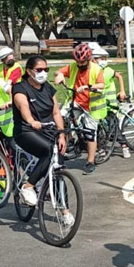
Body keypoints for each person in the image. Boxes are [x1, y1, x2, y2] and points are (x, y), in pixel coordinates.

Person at [11, 56, 74, 226]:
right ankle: (28, 186)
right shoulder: (20, 88)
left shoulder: (48, 89)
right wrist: (31, 121)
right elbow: (23, 106)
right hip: (26, 131)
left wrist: (61, 134)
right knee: (47, 151)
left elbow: (56, 113)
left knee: (58, 168)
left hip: (49, 130)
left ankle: (64, 211)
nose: (43, 73)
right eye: (39, 70)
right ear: (29, 71)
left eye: (46, 70)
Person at [54, 44, 105, 174]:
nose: (79, 64)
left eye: (82, 62)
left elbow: (102, 84)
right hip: (76, 101)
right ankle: (69, 142)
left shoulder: (96, 69)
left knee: (89, 133)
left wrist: (88, 86)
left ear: (88, 59)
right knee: (60, 119)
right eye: (78, 62)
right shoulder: (73, 66)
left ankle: (90, 162)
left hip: (92, 105)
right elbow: (59, 72)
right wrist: (59, 75)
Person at [92, 47, 130, 159]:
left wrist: (122, 90)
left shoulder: (107, 71)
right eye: (101, 59)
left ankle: (124, 146)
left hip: (110, 105)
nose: (103, 61)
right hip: (98, 106)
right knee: (99, 128)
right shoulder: (93, 72)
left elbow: (119, 76)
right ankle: (102, 148)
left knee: (113, 128)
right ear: (94, 60)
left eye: (104, 59)